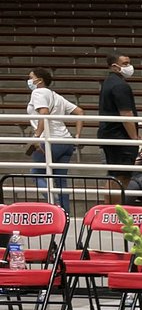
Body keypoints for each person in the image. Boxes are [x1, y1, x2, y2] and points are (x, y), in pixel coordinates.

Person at [26, 68, 83, 214]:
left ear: (39, 80)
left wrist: (37, 136)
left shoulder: (37, 92)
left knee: (36, 173)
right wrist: (77, 134)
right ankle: (65, 213)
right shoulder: (56, 96)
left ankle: (55, 205)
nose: (29, 80)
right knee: (60, 179)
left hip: (50, 140)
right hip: (66, 140)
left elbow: (43, 113)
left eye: (31, 77)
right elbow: (79, 111)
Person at [97, 52, 140, 191]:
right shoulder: (120, 86)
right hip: (119, 137)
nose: (129, 67)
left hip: (111, 134)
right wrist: (134, 138)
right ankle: (113, 210)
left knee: (116, 175)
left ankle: (110, 209)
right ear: (115, 66)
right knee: (120, 177)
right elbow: (126, 113)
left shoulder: (108, 82)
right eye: (125, 64)